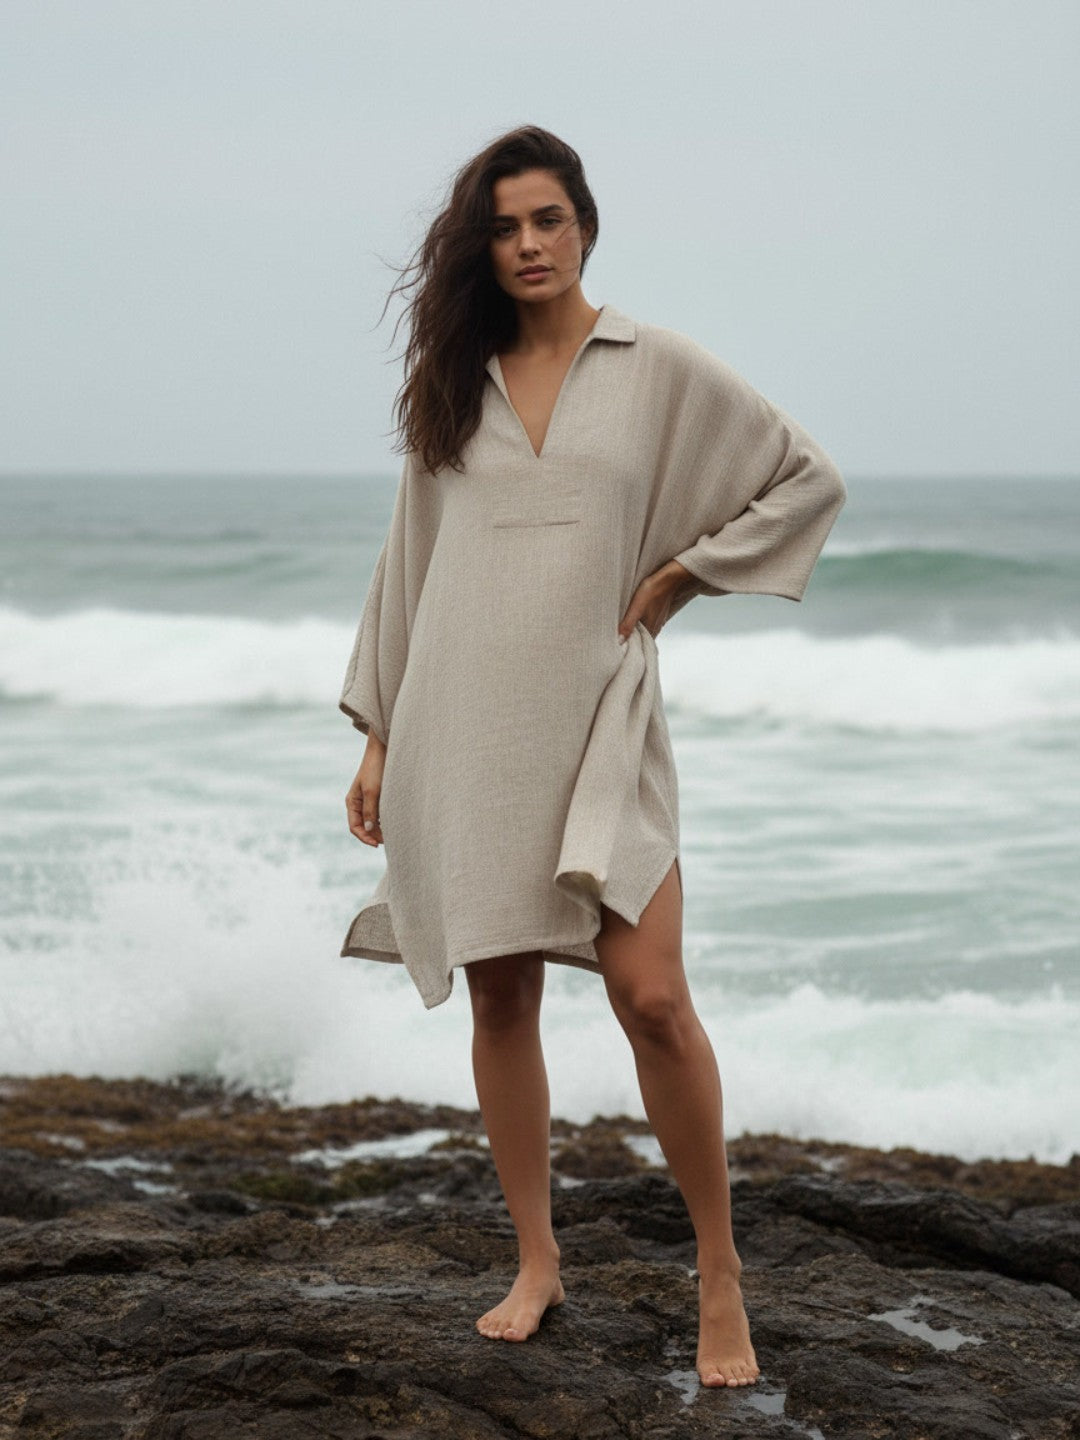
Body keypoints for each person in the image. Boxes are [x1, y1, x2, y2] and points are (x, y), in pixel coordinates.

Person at [341, 125, 846, 1390]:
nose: (527, 245)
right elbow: (410, 566)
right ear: (484, 244)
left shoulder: (656, 364)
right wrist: (380, 735)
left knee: (651, 996)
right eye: (505, 227)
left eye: (547, 220)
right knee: (502, 993)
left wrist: (684, 574)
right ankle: (535, 1258)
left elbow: (803, 476)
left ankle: (720, 1271)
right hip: (463, 721)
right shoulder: (454, 386)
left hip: (599, 719)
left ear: (585, 227)